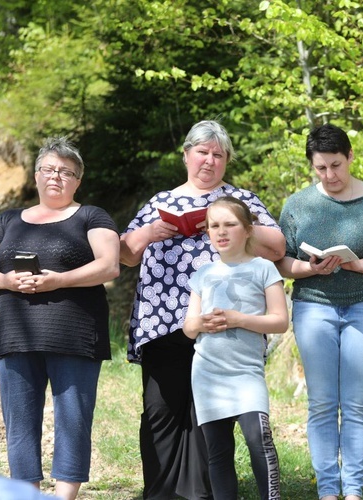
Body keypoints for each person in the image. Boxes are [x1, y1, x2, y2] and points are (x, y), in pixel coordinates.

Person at [120, 120, 286, 500]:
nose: (209, 160)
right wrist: (149, 232)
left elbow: (277, 248)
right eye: (202, 152)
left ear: (226, 160)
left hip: (226, 328)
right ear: (186, 156)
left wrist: (232, 220)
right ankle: (161, 493)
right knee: (161, 411)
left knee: (207, 416)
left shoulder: (243, 200)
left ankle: (201, 493)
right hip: (163, 322)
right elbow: (125, 255)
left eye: (218, 154)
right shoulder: (161, 201)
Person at [0, 137, 120, 500]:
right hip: (15, 335)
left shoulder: (92, 215)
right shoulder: (8, 219)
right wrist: (5, 280)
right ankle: (27, 495)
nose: (56, 176)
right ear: (37, 174)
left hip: (74, 333)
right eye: (49, 169)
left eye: (66, 172)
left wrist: (58, 280)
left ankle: (63, 497)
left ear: (78, 180)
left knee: (73, 420)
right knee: (20, 424)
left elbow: (109, 265)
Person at [277, 123, 363, 500]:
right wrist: (309, 268)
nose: (330, 175)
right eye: (321, 168)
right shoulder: (298, 204)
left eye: (336, 165)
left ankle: (353, 489)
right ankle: (327, 490)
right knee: (321, 401)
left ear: (350, 156)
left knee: (355, 402)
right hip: (313, 305)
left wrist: (359, 265)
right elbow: (281, 261)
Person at [183, 197, 287, 500]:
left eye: (230, 224)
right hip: (207, 373)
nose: (221, 232)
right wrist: (203, 323)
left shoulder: (264, 268)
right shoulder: (203, 274)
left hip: (246, 373)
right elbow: (189, 328)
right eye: (214, 226)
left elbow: (280, 321)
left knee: (259, 440)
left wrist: (237, 319)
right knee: (218, 452)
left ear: (247, 229)